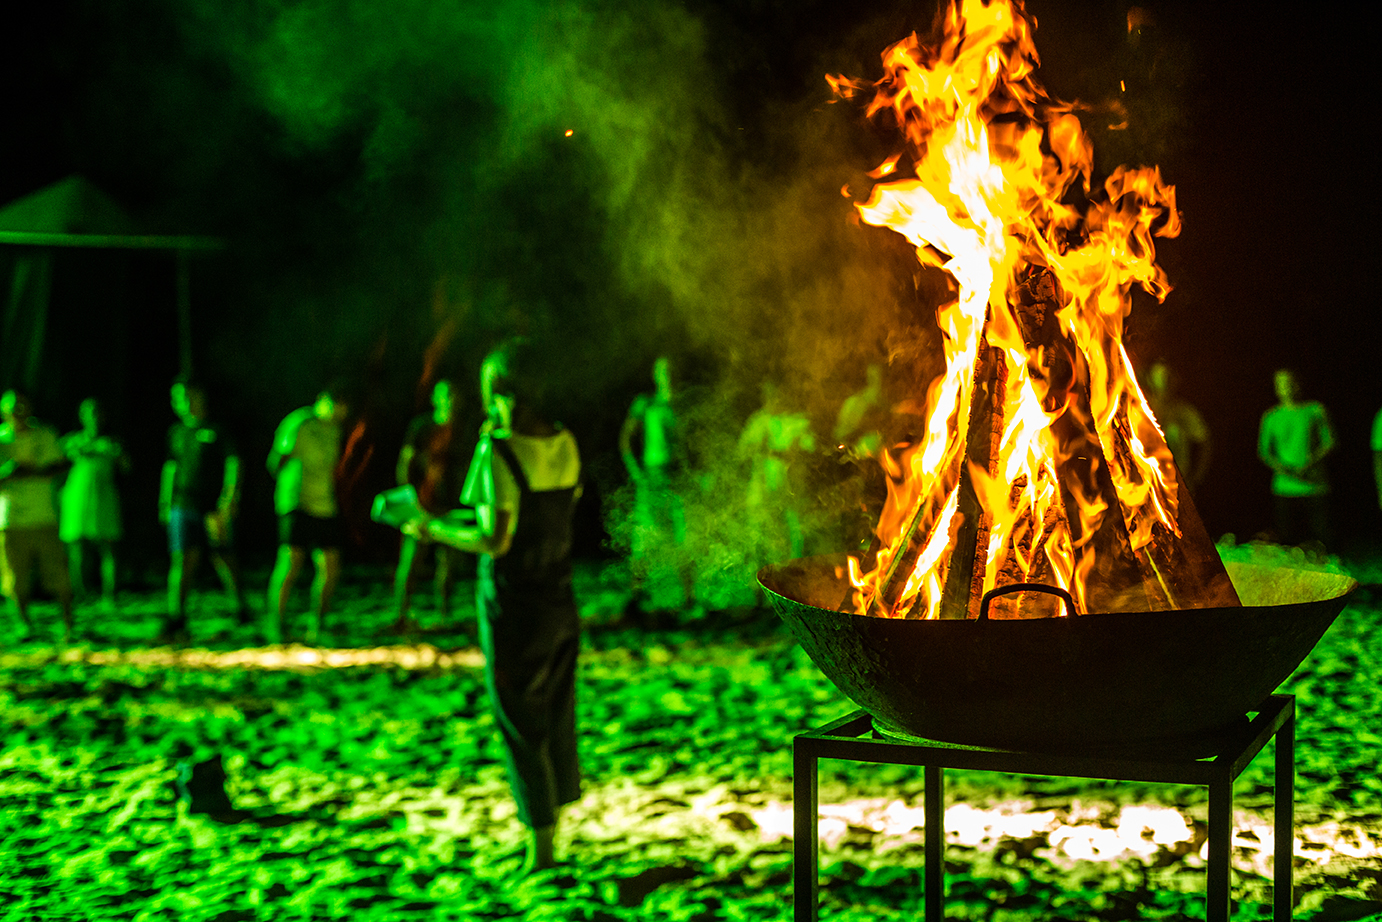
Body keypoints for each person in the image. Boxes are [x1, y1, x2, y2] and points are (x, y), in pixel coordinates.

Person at [406, 343, 582, 875]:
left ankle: (542, 849)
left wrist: (430, 528)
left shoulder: (497, 451)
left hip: (513, 600)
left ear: (499, 393)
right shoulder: (566, 441)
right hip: (560, 594)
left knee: (517, 716)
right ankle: (556, 827)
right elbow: (556, 511)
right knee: (555, 708)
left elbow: (494, 539)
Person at [159, 379, 249, 642]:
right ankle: (176, 615)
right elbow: (171, 468)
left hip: (212, 506)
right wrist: (165, 501)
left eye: (189, 397)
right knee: (182, 559)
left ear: (200, 398)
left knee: (222, 556)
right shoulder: (176, 432)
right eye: (178, 399)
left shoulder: (217, 430)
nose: (184, 403)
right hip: (182, 505)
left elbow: (233, 464)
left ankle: (239, 606)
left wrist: (229, 498)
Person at [266, 387, 349, 644]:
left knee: (330, 565)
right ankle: (275, 624)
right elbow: (275, 461)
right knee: (291, 562)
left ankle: (317, 623)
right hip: (296, 503)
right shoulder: (299, 422)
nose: (340, 412)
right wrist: (288, 492)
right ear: (322, 401)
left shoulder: (335, 430)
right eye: (336, 404)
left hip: (324, 504)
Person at [391, 378, 471, 633]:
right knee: (411, 560)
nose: (449, 399)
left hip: (452, 502)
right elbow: (406, 462)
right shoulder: (421, 426)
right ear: (435, 398)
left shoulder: (464, 429)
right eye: (444, 394)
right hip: (423, 500)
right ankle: (401, 614)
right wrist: (409, 497)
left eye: (453, 394)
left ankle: (444, 613)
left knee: (448, 563)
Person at [619, 356, 692, 611]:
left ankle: (688, 597)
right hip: (653, 473)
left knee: (683, 536)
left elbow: (692, 442)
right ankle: (637, 595)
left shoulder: (683, 404)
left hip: (678, 475)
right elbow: (626, 440)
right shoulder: (646, 403)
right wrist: (637, 473)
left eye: (671, 370)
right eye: (663, 371)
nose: (668, 375)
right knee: (645, 536)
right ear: (655, 375)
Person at [0, 391, 73, 641]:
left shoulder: (45, 434)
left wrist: (38, 472)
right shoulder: (1, 439)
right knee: (14, 575)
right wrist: (8, 473)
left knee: (58, 573)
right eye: (13, 407)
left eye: (22, 405)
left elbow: (61, 465)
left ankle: (68, 624)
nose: (18, 411)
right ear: (4, 411)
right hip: (9, 518)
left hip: (44, 515)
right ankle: (25, 624)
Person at [59, 398, 130, 608]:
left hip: (104, 496)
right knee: (77, 547)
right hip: (77, 497)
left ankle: (110, 595)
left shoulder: (112, 443)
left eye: (98, 413)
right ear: (82, 417)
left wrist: (117, 455)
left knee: (108, 547)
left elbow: (127, 469)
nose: (94, 418)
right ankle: (80, 593)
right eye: (89, 414)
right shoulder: (71, 441)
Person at [1257, 368, 1335, 547]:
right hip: (1284, 488)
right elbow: (1263, 451)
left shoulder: (1315, 409)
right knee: (1287, 540)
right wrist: (1285, 469)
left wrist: (1308, 465)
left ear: (1299, 384)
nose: (1287, 387)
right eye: (1282, 384)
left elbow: (1330, 442)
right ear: (1276, 388)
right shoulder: (1271, 416)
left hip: (1315, 486)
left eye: (1291, 382)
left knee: (1323, 537)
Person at [1144, 361, 1211, 493]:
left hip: (1178, 486)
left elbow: (1205, 444)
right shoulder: (1140, 412)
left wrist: (1195, 478)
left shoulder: (1183, 412)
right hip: (1148, 486)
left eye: (1166, 378)